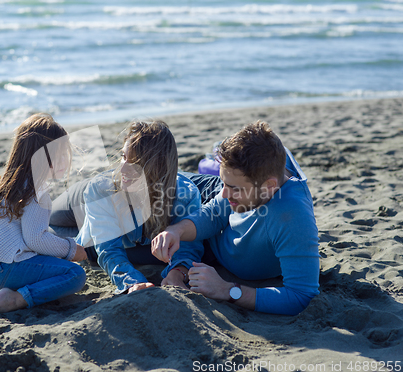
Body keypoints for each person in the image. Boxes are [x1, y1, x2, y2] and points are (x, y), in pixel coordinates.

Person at [152, 120, 320, 315]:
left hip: (216, 245)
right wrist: (177, 230)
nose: (224, 194)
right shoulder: (245, 183)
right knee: (151, 187)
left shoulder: (291, 217)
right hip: (206, 194)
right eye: (226, 184)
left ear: (269, 187)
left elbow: (301, 296)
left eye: (234, 188)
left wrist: (226, 290)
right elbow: (214, 214)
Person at [50, 120, 205, 294]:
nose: (123, 168)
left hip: (109, 219)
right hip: (86, 199)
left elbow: (189, 246)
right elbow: (109, 249)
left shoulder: (186, 194)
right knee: (49, 221)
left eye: (134, 163)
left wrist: (178, 274)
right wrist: (131, 282)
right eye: (123, 157)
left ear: (157, 167)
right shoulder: (100, 189)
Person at [0, 113, 87, 317]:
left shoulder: (11, 185)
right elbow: (36, 239)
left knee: (51, 261)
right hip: (5, 268)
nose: (65, 160)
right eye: (59, 154)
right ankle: (16, 299)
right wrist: (70, 249)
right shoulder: (35, 191)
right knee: (74, 274)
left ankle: (6, 291)